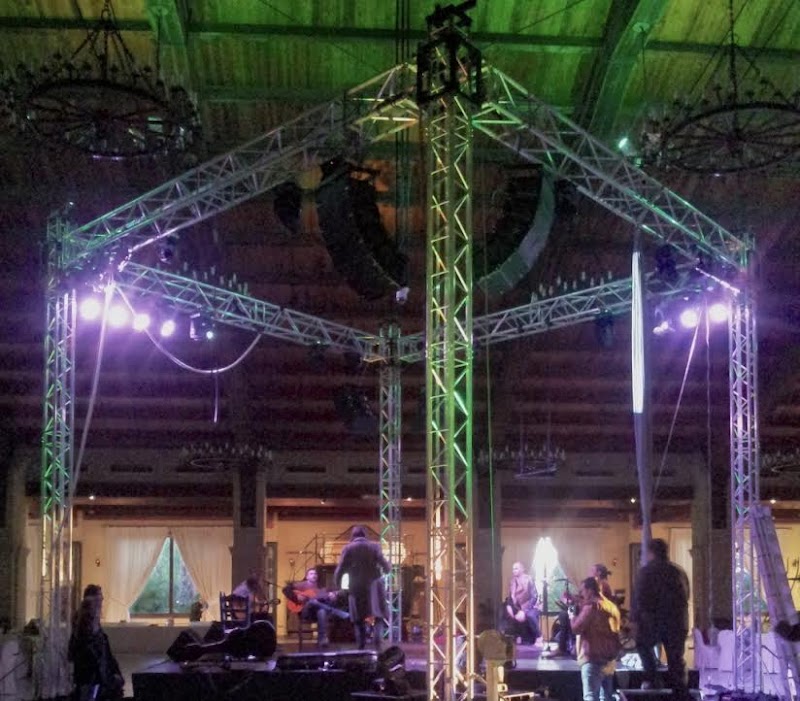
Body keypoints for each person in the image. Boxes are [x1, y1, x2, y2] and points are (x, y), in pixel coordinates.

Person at [631, 538, 690, 698]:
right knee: (676, 659)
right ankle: (680, 690)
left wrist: (635, 621)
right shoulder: (679, 571)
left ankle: (653, 678)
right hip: (678, 622)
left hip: (654, 621)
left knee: (642, 645)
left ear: (651, 553)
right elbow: (686, 596)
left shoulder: (646, 572)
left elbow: (640, 599)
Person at [334, 525, 391, 650]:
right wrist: (387, 568)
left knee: (358, 617)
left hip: (356, 586)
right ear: (365, 535)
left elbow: (340, 569)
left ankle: (361, 646)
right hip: (375, 586)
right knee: (378, 615)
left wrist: (338, 585)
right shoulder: (375, 546)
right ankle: (377, 643)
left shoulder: (348, 548)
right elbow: (386, 566)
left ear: (353, 536)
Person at [570, 576, 621, 701]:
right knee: (606, 697)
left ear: (590, 591)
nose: (581, 594)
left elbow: (576, 628)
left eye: (582, 591)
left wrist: (572, 617)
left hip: (592, 657)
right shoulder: (611, 607)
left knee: (590, 696)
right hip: (609, 659)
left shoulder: (591, 607)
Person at [69, 596, 124, 700]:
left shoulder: (100, 637)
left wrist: (116, 675)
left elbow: (109, 658)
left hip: (99, 681)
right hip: (90, 681)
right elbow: (89, 663)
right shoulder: (81, 639)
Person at [283, 567, 349, 647]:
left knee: (321, 611)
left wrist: (334, 595)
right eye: (311, 574)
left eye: (315, 574)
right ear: (307, 576)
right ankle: (336, 612)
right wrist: (296, 597)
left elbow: (328, 598)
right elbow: (285, 589)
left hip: (315, 615)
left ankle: (322, 640)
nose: (314, 575)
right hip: (305, 613)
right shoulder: (301, 585)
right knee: (312, 601)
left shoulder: (321, 587)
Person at [501, 561, 540, 645]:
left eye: (516, 568)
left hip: (530, 606)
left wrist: (524, 610)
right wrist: (508, 606)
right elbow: (510, 597)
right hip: (517, 607)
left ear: (522, 569)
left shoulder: (528, 579)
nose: (514, 571)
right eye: (513, 569)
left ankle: (538, 637)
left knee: (530, 615)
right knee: (503, 610)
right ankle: (504, 636)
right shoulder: (512, 581)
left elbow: (534, 596)